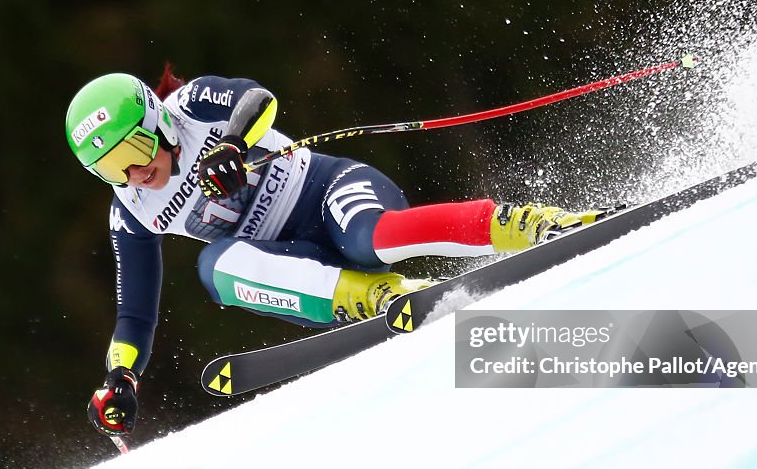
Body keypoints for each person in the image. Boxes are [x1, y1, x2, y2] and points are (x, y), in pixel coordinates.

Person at [66, 65, 608, 437]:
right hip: (296, 259)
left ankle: (534, 225)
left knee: (372, 238)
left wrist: (231, 143)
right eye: (112, 167)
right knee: (214, 268)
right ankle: (381, 300)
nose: (136, 172)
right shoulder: (131, 208)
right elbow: (134, 312)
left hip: (327, 192)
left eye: (135, 148)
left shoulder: (188, 107)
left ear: (155, 120)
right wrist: (120, 379)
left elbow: (257, 99)